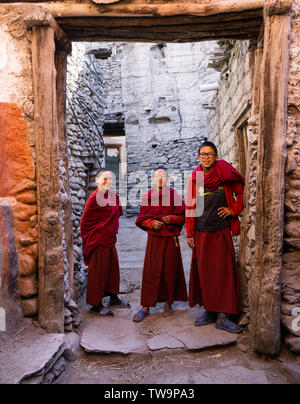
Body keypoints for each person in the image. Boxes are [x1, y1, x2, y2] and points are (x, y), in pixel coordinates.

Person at [186, 142, 244, 333]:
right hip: (202, 232)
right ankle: (210, 311)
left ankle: (225, 316)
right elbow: (190, 206)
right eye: (202, 154)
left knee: (224, 272)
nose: (206, 157)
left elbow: (240, 192)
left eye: (210, 154)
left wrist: (234, 209)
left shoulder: (224, 173)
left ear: (216, 156)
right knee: (205, 273)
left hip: (221, 230)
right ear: (198, 157)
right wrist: (189, 233)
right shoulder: (196, 178)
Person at [133, 168, 188, 322]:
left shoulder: (174, 195)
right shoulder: (147, 196)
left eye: (163, 176)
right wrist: (151, 223)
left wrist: (172, 219)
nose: (160, 178)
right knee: (151, 271)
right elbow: (141, 218)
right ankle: (146, 306)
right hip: (155, 239)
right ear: (152, 179)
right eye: (157, 176)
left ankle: (168, 302)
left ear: (167, 178)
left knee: (169, 270)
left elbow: (183, 215)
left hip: (170, 238)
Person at [80, 169, 130, 316]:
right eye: (104, 178)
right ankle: (96, 305)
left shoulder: (112, 195)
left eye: (110, 178)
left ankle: (113, 298)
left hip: (109, 240)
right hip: (98, 241)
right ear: (97, 180)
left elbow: (118, 212)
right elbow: (85, 222)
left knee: (112, 271)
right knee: (98, 273)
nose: (108, 181)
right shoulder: (94, 198)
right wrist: (91, 237)